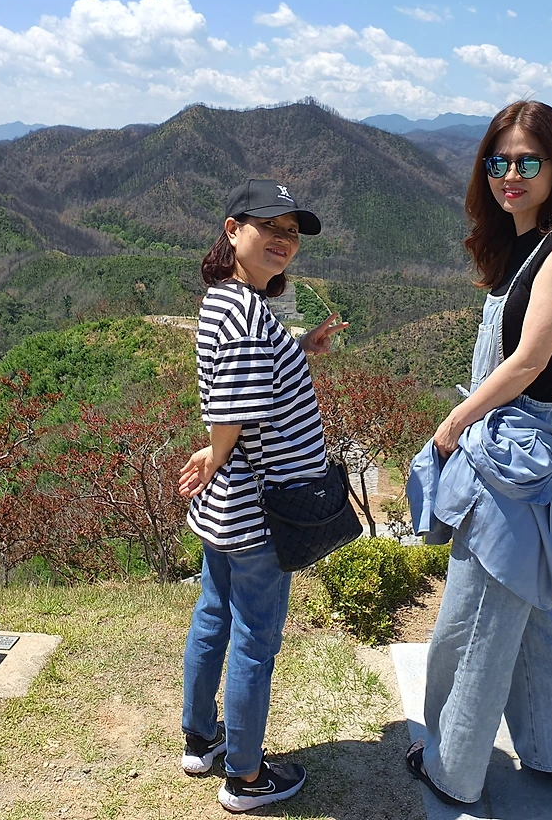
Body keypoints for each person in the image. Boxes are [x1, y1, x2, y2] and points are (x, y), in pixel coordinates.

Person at [404, 100, 552, 806]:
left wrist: (456, 418)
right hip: (508, 447)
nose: (510, 174)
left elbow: (528, 361)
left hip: (514, 457)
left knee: (473, 618)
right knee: (530, 608)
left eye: (527, 161)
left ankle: (451, 766)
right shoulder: (522, 245)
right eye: (499, 161)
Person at [177, 178, 347, 813]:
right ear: (232, 229)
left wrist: (302, 346)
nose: (283, 240)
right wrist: (215, 451)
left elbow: (251, 369)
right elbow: (237, 405)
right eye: (269, 227)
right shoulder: (246, 312)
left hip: (227, 506)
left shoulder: (227, 301)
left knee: (213, 615)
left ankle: (202, 738)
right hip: (261, 510)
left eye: (291, 233)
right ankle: (246, 777)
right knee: (254, 637)